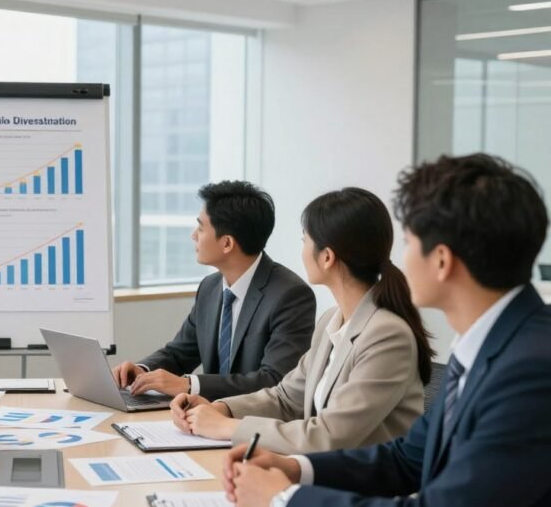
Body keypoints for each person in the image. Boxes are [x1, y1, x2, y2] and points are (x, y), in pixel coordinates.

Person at [224, 154, 551, 507]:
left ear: (442, 260)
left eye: (410, 242)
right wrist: (295, 469)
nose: (399, 257)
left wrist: (282, 501)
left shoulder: (529, 371)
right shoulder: (489, 342)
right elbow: (405, 461)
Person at [169, 188, 429, 454]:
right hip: (323, 475)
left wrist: (227, 427)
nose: (302, 251)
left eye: (304, 241)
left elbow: (329, 436)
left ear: (326, 257)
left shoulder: (387, 335)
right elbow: (285, 398)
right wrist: (220, 408)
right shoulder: (333, 321)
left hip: (363, 488)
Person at [112, 180, 316, 400]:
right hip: (205, 419)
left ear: (227, 243)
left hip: (254, 424)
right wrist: (143, 370)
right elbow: (179, 354)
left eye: (200, 227)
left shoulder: (290, 295)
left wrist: (189, 385)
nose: (193, 235)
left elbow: (275, 380)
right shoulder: (210, 287)